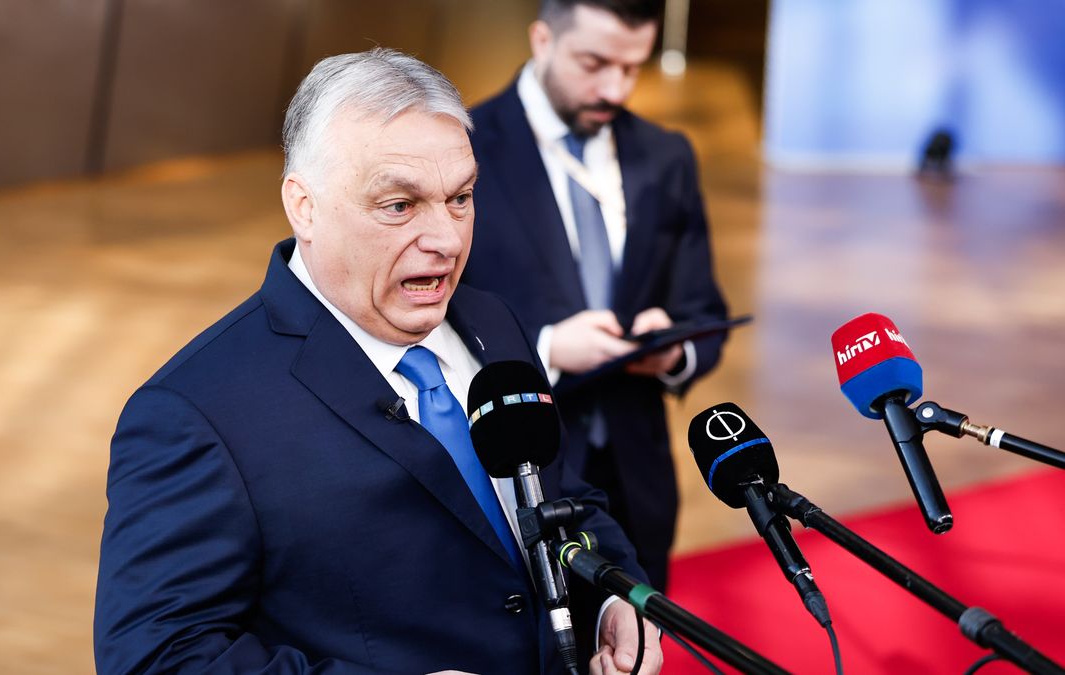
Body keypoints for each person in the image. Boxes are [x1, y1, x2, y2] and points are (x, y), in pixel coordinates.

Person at [94, 48, 662, 675]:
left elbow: (562, 498)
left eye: (461, 198)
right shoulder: (194, 414)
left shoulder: (494, 324)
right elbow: (156, 658)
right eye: (400, 206)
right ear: (303, 206)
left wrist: (613, 594)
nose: (447, 238)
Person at [462, 0, 729, 591]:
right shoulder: (464, 149)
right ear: (541, 40)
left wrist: (673, 352)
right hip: (518, 467)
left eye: (633, 67)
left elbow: (704, 309)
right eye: (594, 62)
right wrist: (550, 347)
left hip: (639, 475)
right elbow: (433, 317)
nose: (614, 88)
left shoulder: (667, 156)